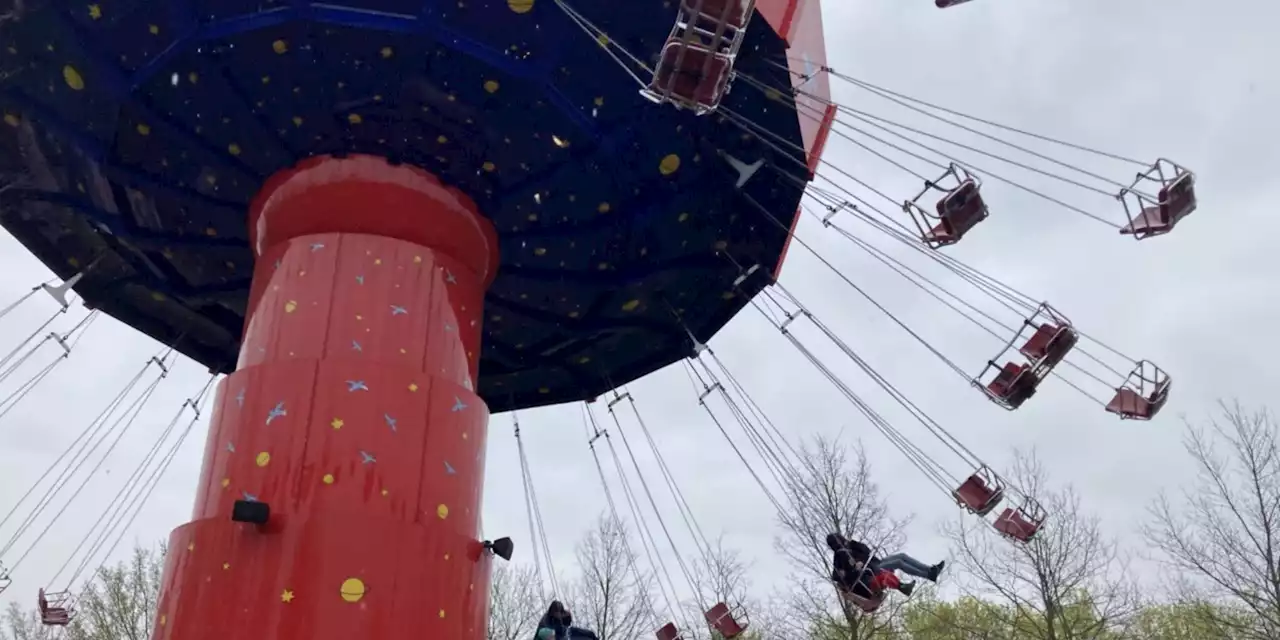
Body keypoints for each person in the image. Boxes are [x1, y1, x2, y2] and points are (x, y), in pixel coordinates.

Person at [827, 533, 915, 598]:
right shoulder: (840, 559)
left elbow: (866, 551)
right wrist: (855, 569)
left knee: (896, 561)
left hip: (874, 568)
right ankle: (903, 588)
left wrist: (854, 546)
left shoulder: (852, 547)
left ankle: (903, 585)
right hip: (866, 581)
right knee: (884, 576)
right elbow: (843, 578)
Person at [534, 601, 599, 640]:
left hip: (562, 634)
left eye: (560, 613)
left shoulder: (561, 617)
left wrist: (567, 617)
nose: (558, 614)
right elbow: (543, 632)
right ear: (552, 612)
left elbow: (567, 626)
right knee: (546, 632)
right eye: (556, 612)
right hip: (550, 635)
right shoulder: (546, 619)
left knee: (587, 634)